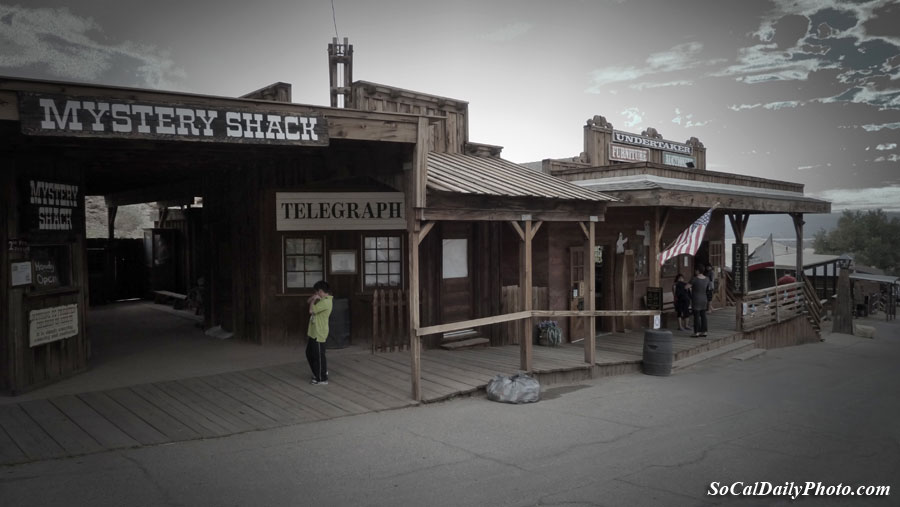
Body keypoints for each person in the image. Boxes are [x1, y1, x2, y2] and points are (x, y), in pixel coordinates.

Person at [306, 280, 333, 385]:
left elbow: (311, 310)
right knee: (309, 353)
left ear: (321, 291)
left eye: (317, 292)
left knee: (319, 355)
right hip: (313, 331)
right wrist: (313, 298)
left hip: (319, 332)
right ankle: (318, 372)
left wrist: (314, 300)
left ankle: (322, 378)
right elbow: (308, 301)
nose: (316, 293)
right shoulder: (321, 298)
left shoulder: (326, 302)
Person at [689, 267, 710, 337]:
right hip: (704, 298)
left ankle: (696, 332)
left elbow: (686, 287)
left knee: (696, 316)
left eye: (696, 270)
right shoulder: (707, 279)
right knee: (703, 315)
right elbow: (708, 288)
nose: (695, 271)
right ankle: (704, 331)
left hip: (696, 299)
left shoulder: (694, 279)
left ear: (698, 271)